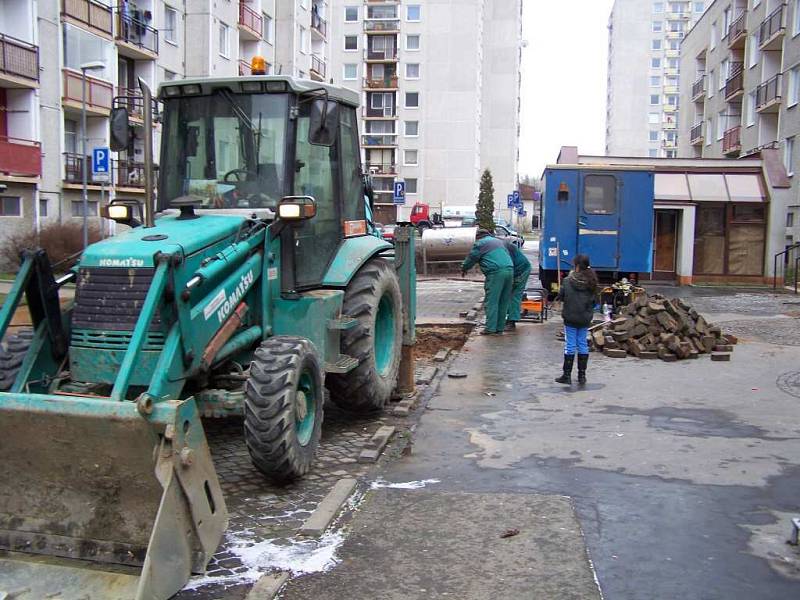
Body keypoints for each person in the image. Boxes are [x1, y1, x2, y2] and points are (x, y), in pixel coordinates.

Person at [555, 254, 598, 385]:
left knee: (570, 345)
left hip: (570, 317)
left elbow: (561, 296)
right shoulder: (592, 281)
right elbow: (595, 302)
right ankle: (582, 376)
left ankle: (566, 375)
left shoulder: (568, 281)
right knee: (583, 344)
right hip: (584, 318)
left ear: (577, 266)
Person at [461, 229, 514, 335]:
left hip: (496, 272)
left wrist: (464, 268)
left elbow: (472, 257)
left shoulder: (480, 243)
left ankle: (490, 328)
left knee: (492, 301)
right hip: (510, 270)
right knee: (503, 301)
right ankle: (499, 328)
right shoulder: (498, 241)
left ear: (478, 237)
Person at [503, 240, 532, 330]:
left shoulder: (503, 248)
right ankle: (506, 318)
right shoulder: (497, 244)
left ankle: (512, 321)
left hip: (521, 270)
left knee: (514, 295)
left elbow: (509, 265)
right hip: (515, 269)